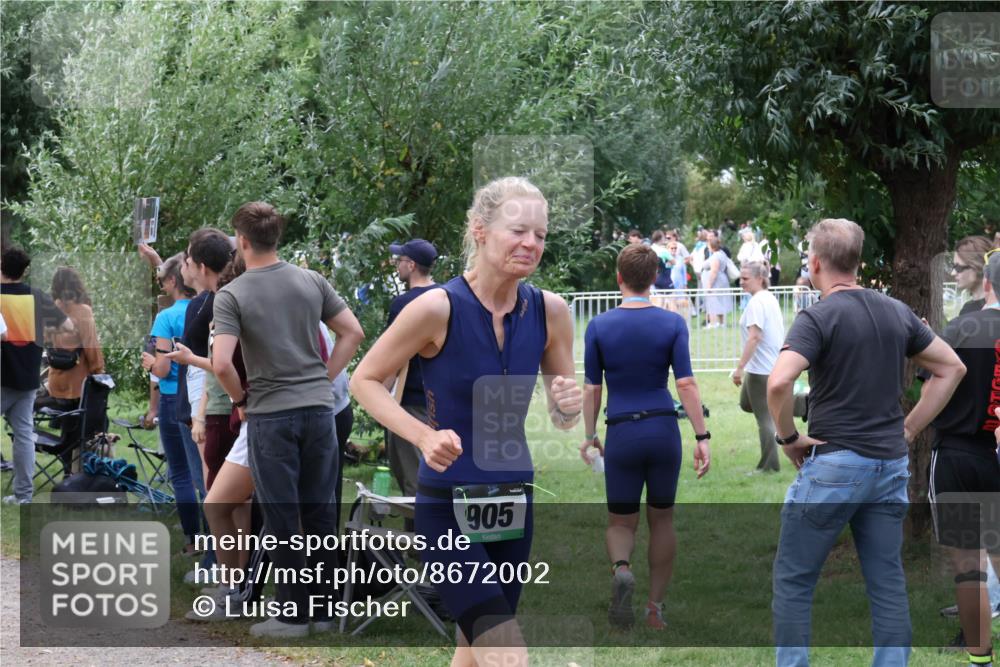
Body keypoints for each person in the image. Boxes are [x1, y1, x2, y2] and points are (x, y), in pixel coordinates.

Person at [351, 177, 582, 667]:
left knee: (473, 649)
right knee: (507, 654)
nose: (531, 244)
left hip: (513, 503)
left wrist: (568, 404)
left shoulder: (551, 312)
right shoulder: (437, 307)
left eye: (540, 234)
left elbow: (563, 418)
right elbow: (365, 380)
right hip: (447, 506)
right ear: (480, 230)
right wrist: (423, 435)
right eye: (518, 230)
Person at [766, 218, 966, 667]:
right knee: (887, 584)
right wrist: (910, 429)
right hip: (889, 467)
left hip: (835, 465)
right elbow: (951, 368)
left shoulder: (816, 317)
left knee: (795, 581)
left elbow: (778, 383)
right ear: (857, 263)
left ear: (815, 263)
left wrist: (788, 437)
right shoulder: (896, 312)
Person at [211, 201, 364, 638]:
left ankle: (293, 616)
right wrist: (324, 376)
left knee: (281, 515)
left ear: (241, 242)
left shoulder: (232, 294)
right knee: (320, 512)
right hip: (319, 411)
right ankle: (325, 610)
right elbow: (353, 332)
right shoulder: (311, 280)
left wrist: (240, 400)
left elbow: (221, 363)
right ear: (276, 238)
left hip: (271, 416)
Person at [581, 243, 710, 631]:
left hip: (621, 430)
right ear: (654, 278)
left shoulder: (599, 326)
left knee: (621, 522)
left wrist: (590, 435)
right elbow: (684, 383)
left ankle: (622, 568)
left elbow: (592, 389)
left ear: (618, 278)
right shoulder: (672, 324)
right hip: (662, 429)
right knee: (662, 518)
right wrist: (702, 435)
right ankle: (655, 609)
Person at [922, 250, 1000, 667]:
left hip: (957, 452)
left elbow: (932, 377)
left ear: (986, 284)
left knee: (970, 568)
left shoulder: (965, 325)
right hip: (993, 452)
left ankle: (979, 658)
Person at [1, 247, 72, 503]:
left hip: (2, 376)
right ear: (24, 270)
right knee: (23, 436)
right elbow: (68, 326)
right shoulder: (37, 296)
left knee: (22, 435)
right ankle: (23, 496)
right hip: (28, 377)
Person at [141, 253, 201, 551]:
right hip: (201, 395)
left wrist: (150, 362)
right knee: (202, 471)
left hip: (172, 398)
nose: (161, 286)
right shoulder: (205, 306)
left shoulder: (166, 317)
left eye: (163, 280)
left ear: (174, 280)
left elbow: (163, 368)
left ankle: (194, 538)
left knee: (180, 472)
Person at [384, 238, 440, 497]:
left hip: (410, 403)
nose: (397, 265)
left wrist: (381, 400)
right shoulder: (447, 296)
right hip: (441, 402)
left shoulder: (404, 304)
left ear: (411, 264)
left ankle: (422, 536)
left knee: (414, 481)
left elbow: (390, 358)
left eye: (399, 261)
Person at [37, 267, 105, 475]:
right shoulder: (83, 311)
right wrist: (99, 372)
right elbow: (91, 346)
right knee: (84, 430)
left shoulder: (53, 309)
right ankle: (81, 473)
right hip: (79, 383)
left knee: (68, 428)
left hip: (57, 380)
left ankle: (68, 470)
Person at [733, 261, 784, 473]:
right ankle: (799, 403)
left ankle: (769, 466)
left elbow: (754, 337)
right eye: (741, 278)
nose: (741, 282)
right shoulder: (767, 298)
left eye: (746, 278)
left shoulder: (757, 302)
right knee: (746, 402)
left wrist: (739, 368)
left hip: (761, 369)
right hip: (768, 366)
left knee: (764, 419)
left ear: (760, 279)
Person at [951, 236, 993, 316]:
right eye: (953, 266)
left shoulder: (994, 309)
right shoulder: (967, 309)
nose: (953, 273)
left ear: (978, 266)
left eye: (958, 267)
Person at [701, 235, 734, 328]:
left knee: (712, 301)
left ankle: (713, 323)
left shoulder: (716, 256)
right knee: (720, 301)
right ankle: (721, 323)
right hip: (721, 280)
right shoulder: (722, 253)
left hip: (716, 282)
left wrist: (709, 285)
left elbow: (714, 271)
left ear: (711, 246)